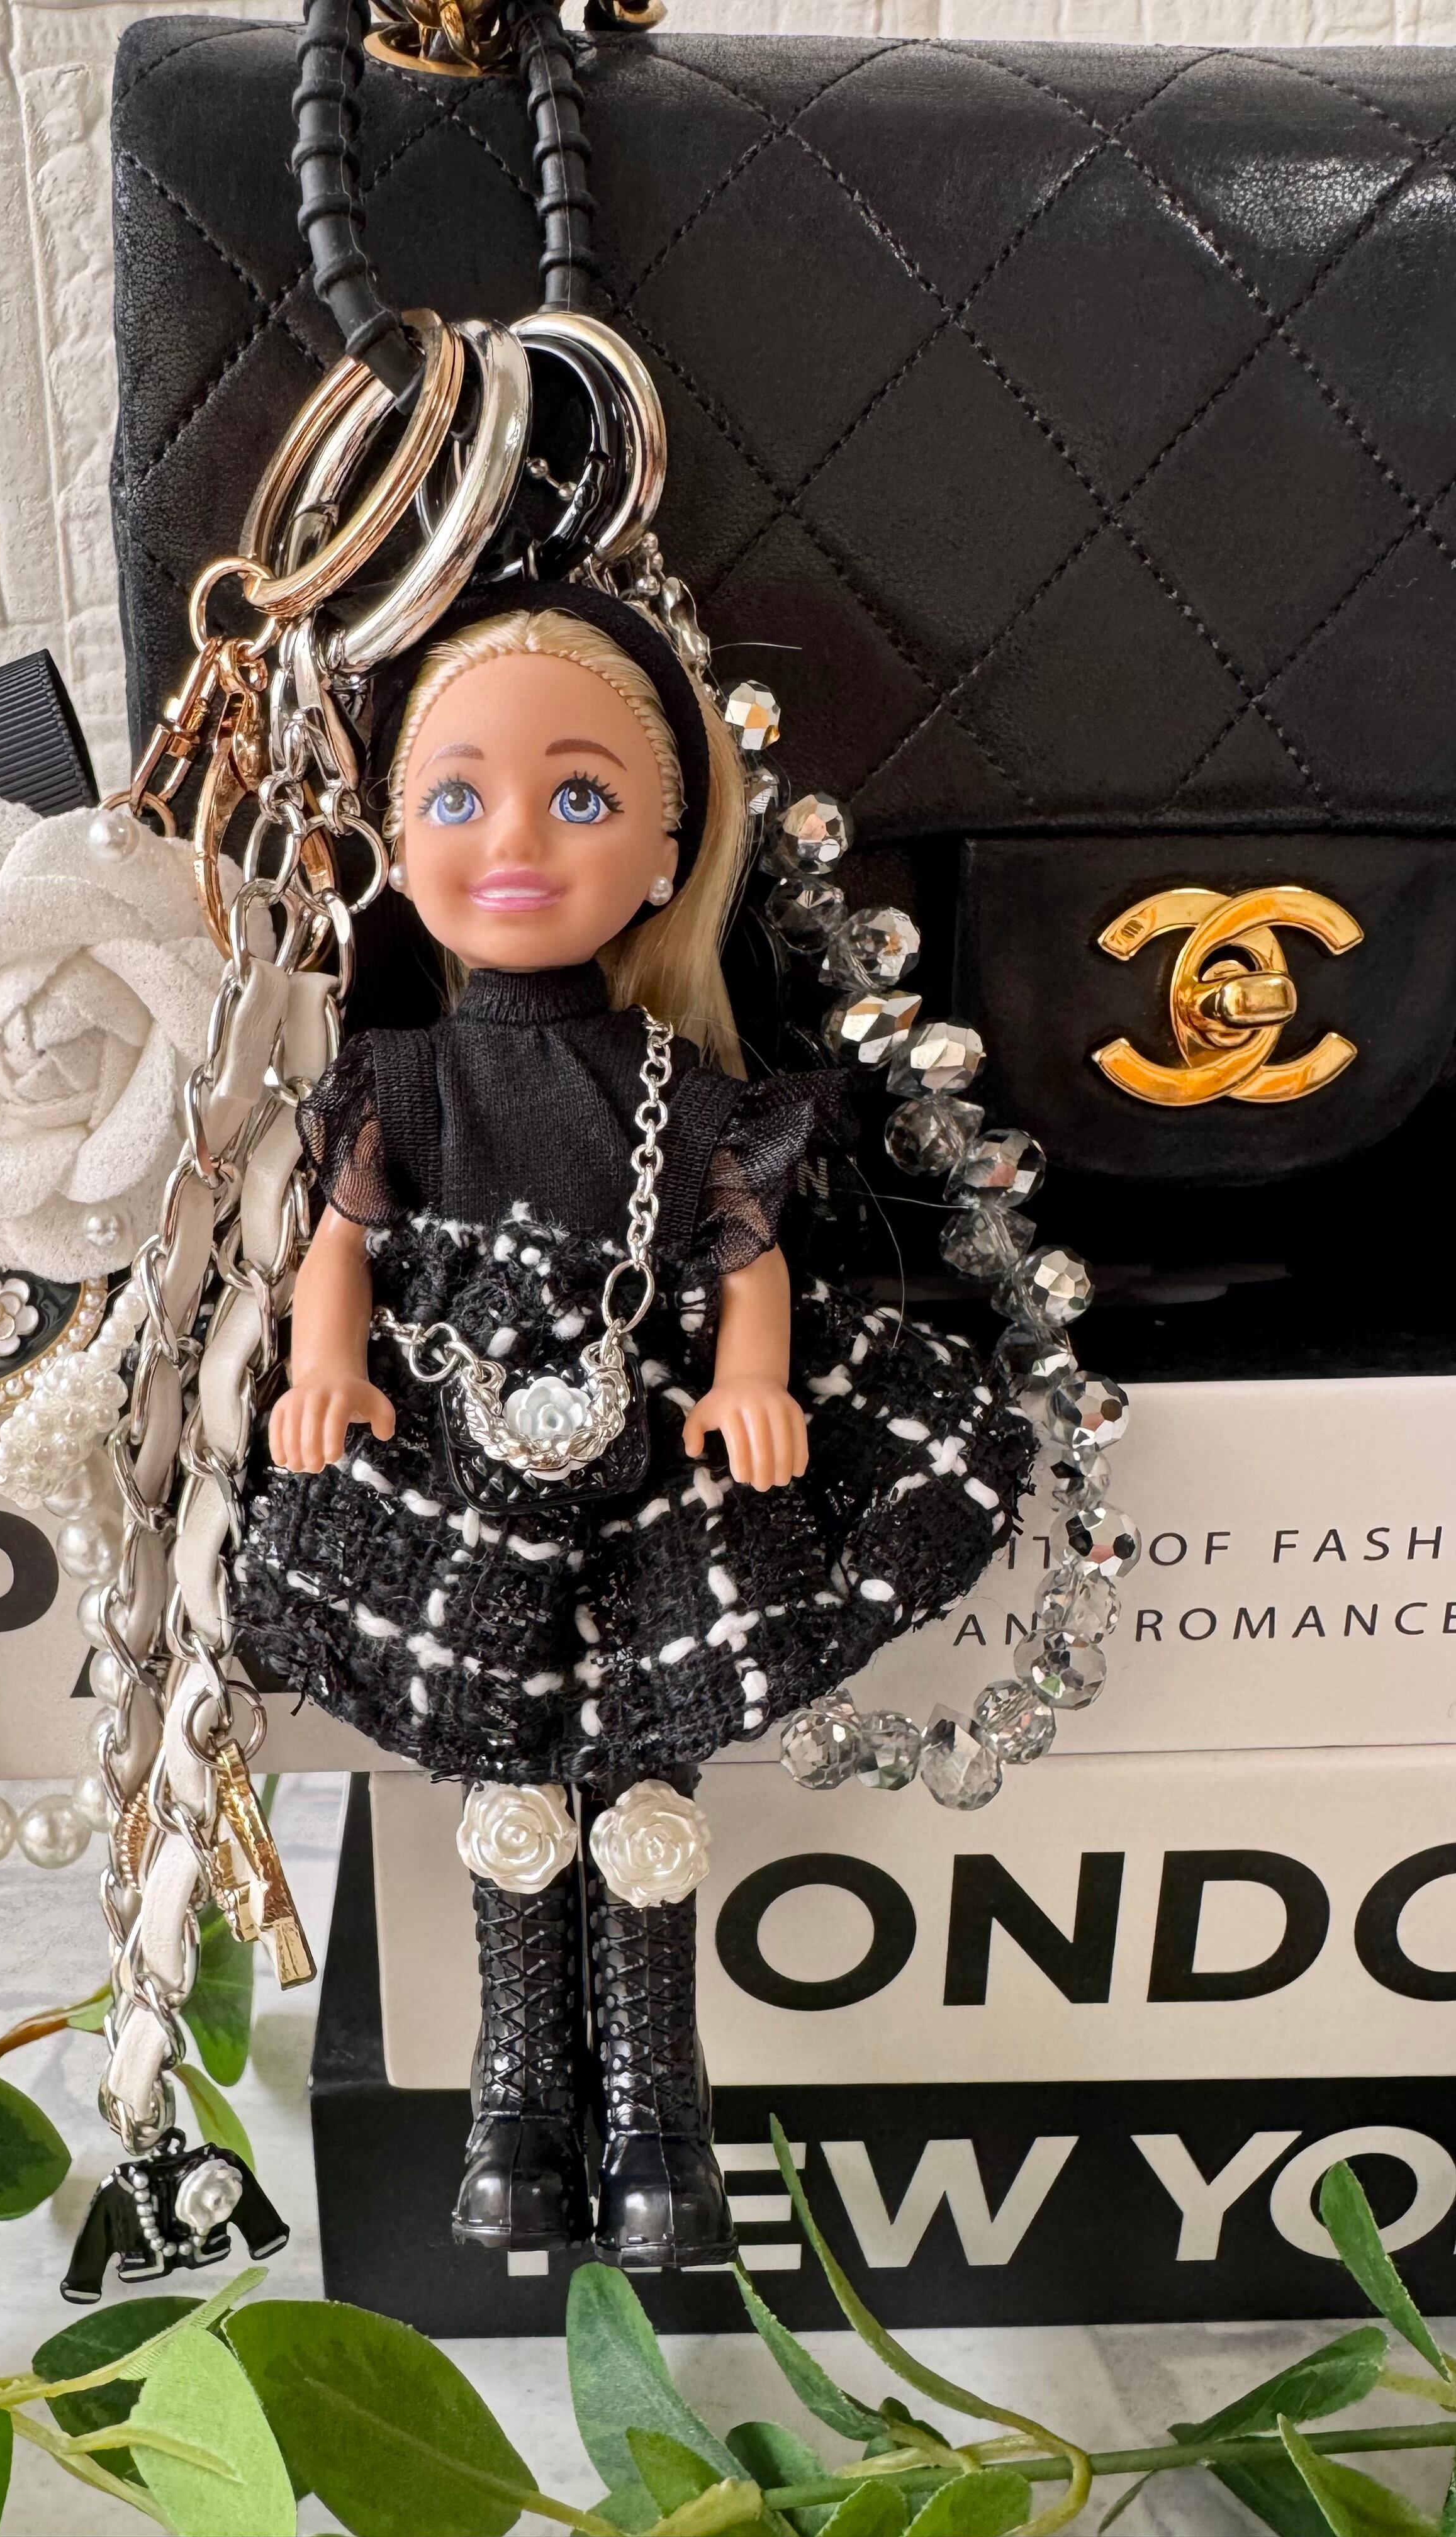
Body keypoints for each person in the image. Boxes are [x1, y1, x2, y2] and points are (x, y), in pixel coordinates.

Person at [234, 586, 1033, 2267]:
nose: (515, 839)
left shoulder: (684, 1086)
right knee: (509, 1795)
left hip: (657, 1467)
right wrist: (328, 1369)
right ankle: (515, 2105)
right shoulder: (399, 1081)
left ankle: (662, 2118)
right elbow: (342, 1252)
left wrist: (751, 1378)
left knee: (649, 1799)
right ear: (392, 845)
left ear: (669, 856)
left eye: (580, 796)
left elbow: (746, 1256)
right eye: (457, 796)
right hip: (452, 1468)